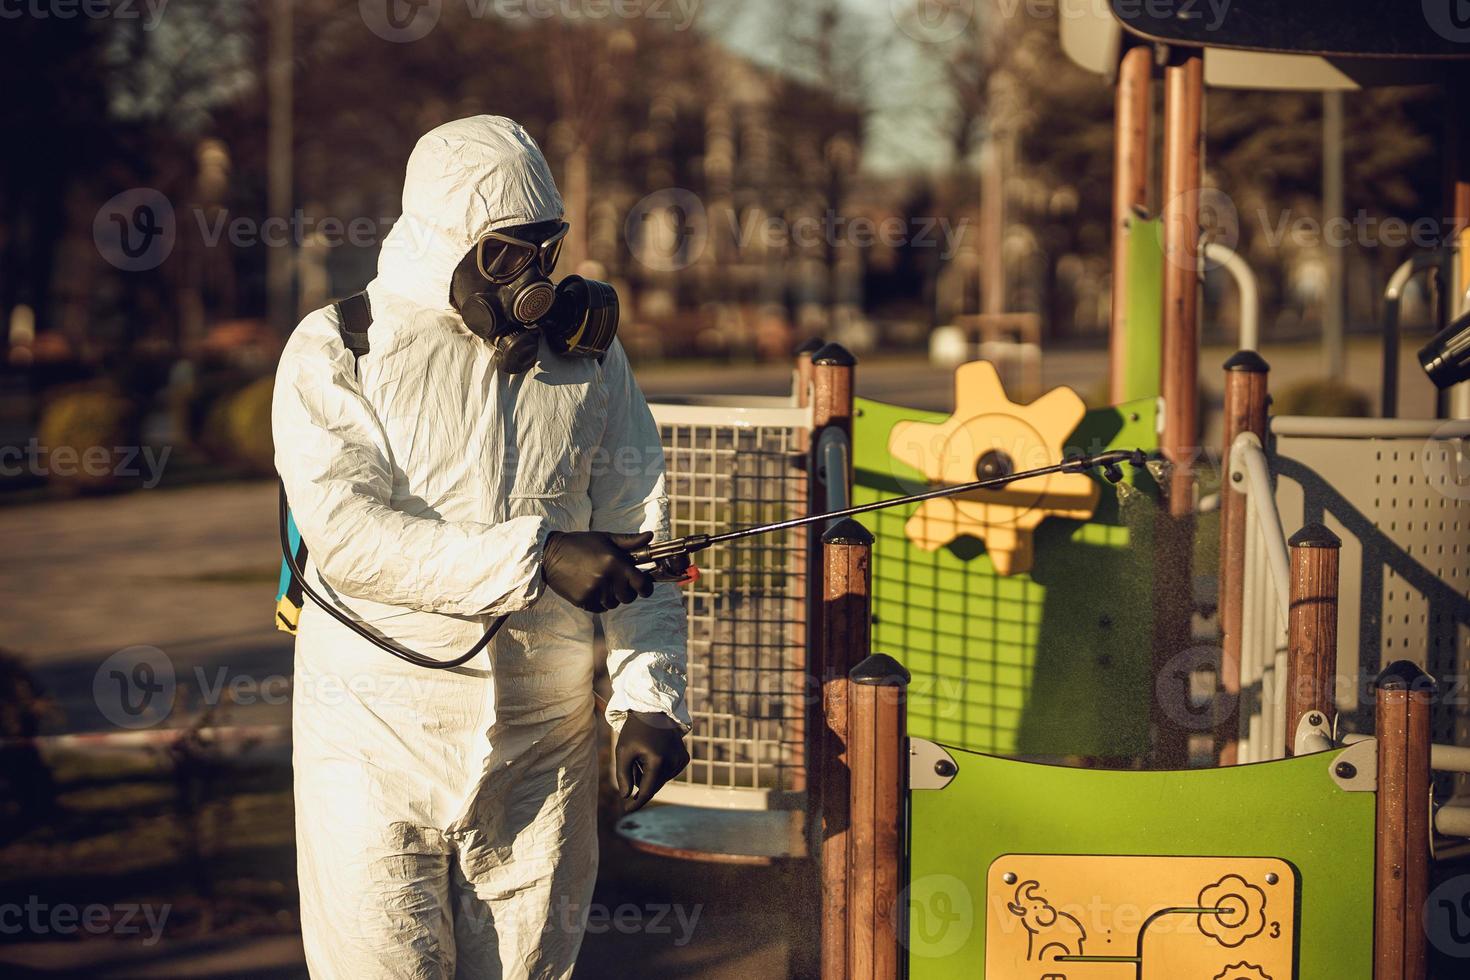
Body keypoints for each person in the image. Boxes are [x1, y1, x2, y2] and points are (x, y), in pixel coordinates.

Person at [272, 115, 691, 979]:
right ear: (441, 237)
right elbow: (349, 539)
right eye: (505, 253)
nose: (533, 277)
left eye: (546, 248)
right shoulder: (341, 349)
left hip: (544, 741)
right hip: (373, 733)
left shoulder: (587, 363)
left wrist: (649, 698)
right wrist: (536, 557)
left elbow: (637, 539)